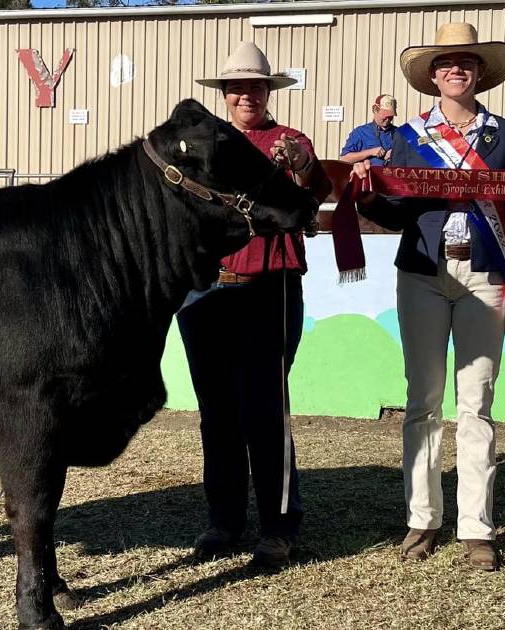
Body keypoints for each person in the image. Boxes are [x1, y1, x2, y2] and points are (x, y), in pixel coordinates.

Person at [350, 23, 505, 571]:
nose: (455, 70)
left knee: (478, 404)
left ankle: (477, 528)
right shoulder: (409, 137)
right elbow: (396, 209)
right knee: (422, 401)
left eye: (465, 63)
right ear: (432, 75)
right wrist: (366, 197)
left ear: (479, 73)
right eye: (445, 63)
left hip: (484, 273)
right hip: (423, 272)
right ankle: (422, 520)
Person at [182, 41, 330, 568]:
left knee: (264, 411)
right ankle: (223, 521)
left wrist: (305, 167)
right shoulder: (200, 147)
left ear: (269, 92)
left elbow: (314, 196)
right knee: (216, 413)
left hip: (271, 286)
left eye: (256, 85)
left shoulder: (290, 143)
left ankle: (278, 528)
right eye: (237, 86)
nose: (247, 94)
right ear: (224, 94)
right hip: (204, 291)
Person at [339, 94, 398, 165]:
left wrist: (396, 155)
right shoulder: (360, 133)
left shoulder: (399, 133)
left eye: (391, 116)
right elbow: (344, 158)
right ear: (375, 110)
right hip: (370, 175)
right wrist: (370, 152)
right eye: (385, 115)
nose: (388, 119)